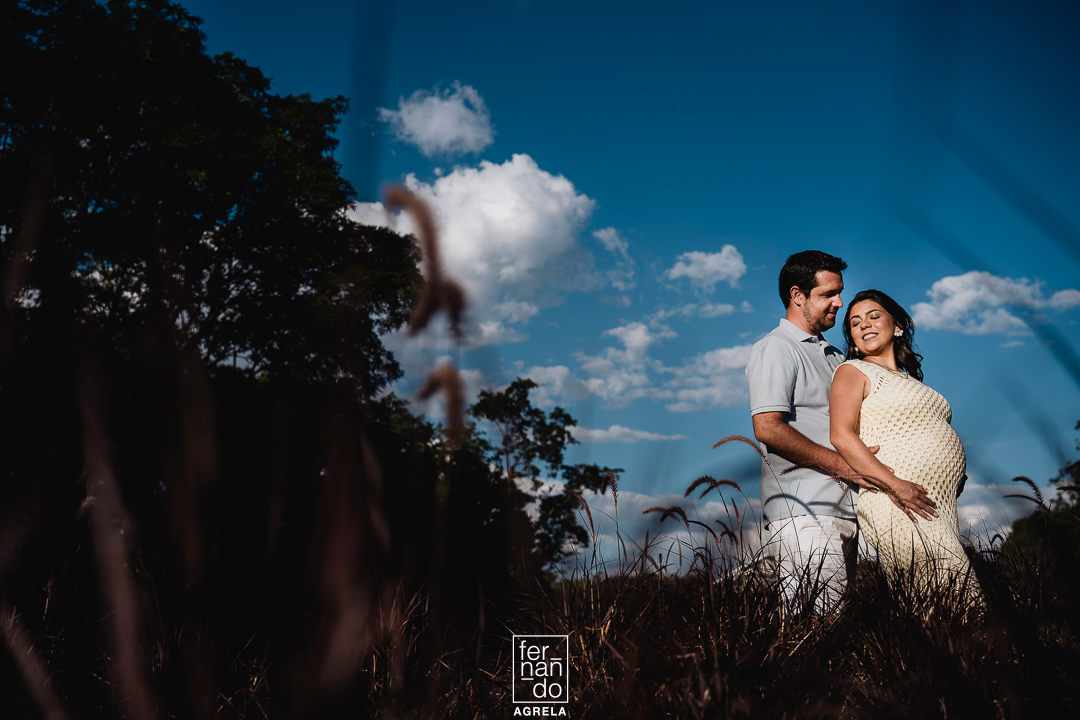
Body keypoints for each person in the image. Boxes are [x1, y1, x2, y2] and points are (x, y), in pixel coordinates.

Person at [745, 251, 887, 613]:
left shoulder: (836, 357)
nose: (840, 303)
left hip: (848, 511)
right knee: (813, 633)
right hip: (803, 514)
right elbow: (767, 427)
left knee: (840, 634)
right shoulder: (776, 348)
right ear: (798, 296)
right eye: (829, 294)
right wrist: (843, 466)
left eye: (840, 292)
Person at [830, 289, 979, 602]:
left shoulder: (911, 381)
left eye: (873, 316)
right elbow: (841, 435)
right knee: (946, 590)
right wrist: (895, 485)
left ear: (896, 325)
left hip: (937, 503)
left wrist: (954, 472)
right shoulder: (853, 371)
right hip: (897, 498)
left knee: (946, 591)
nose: (864, 325)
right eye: (855, 323)